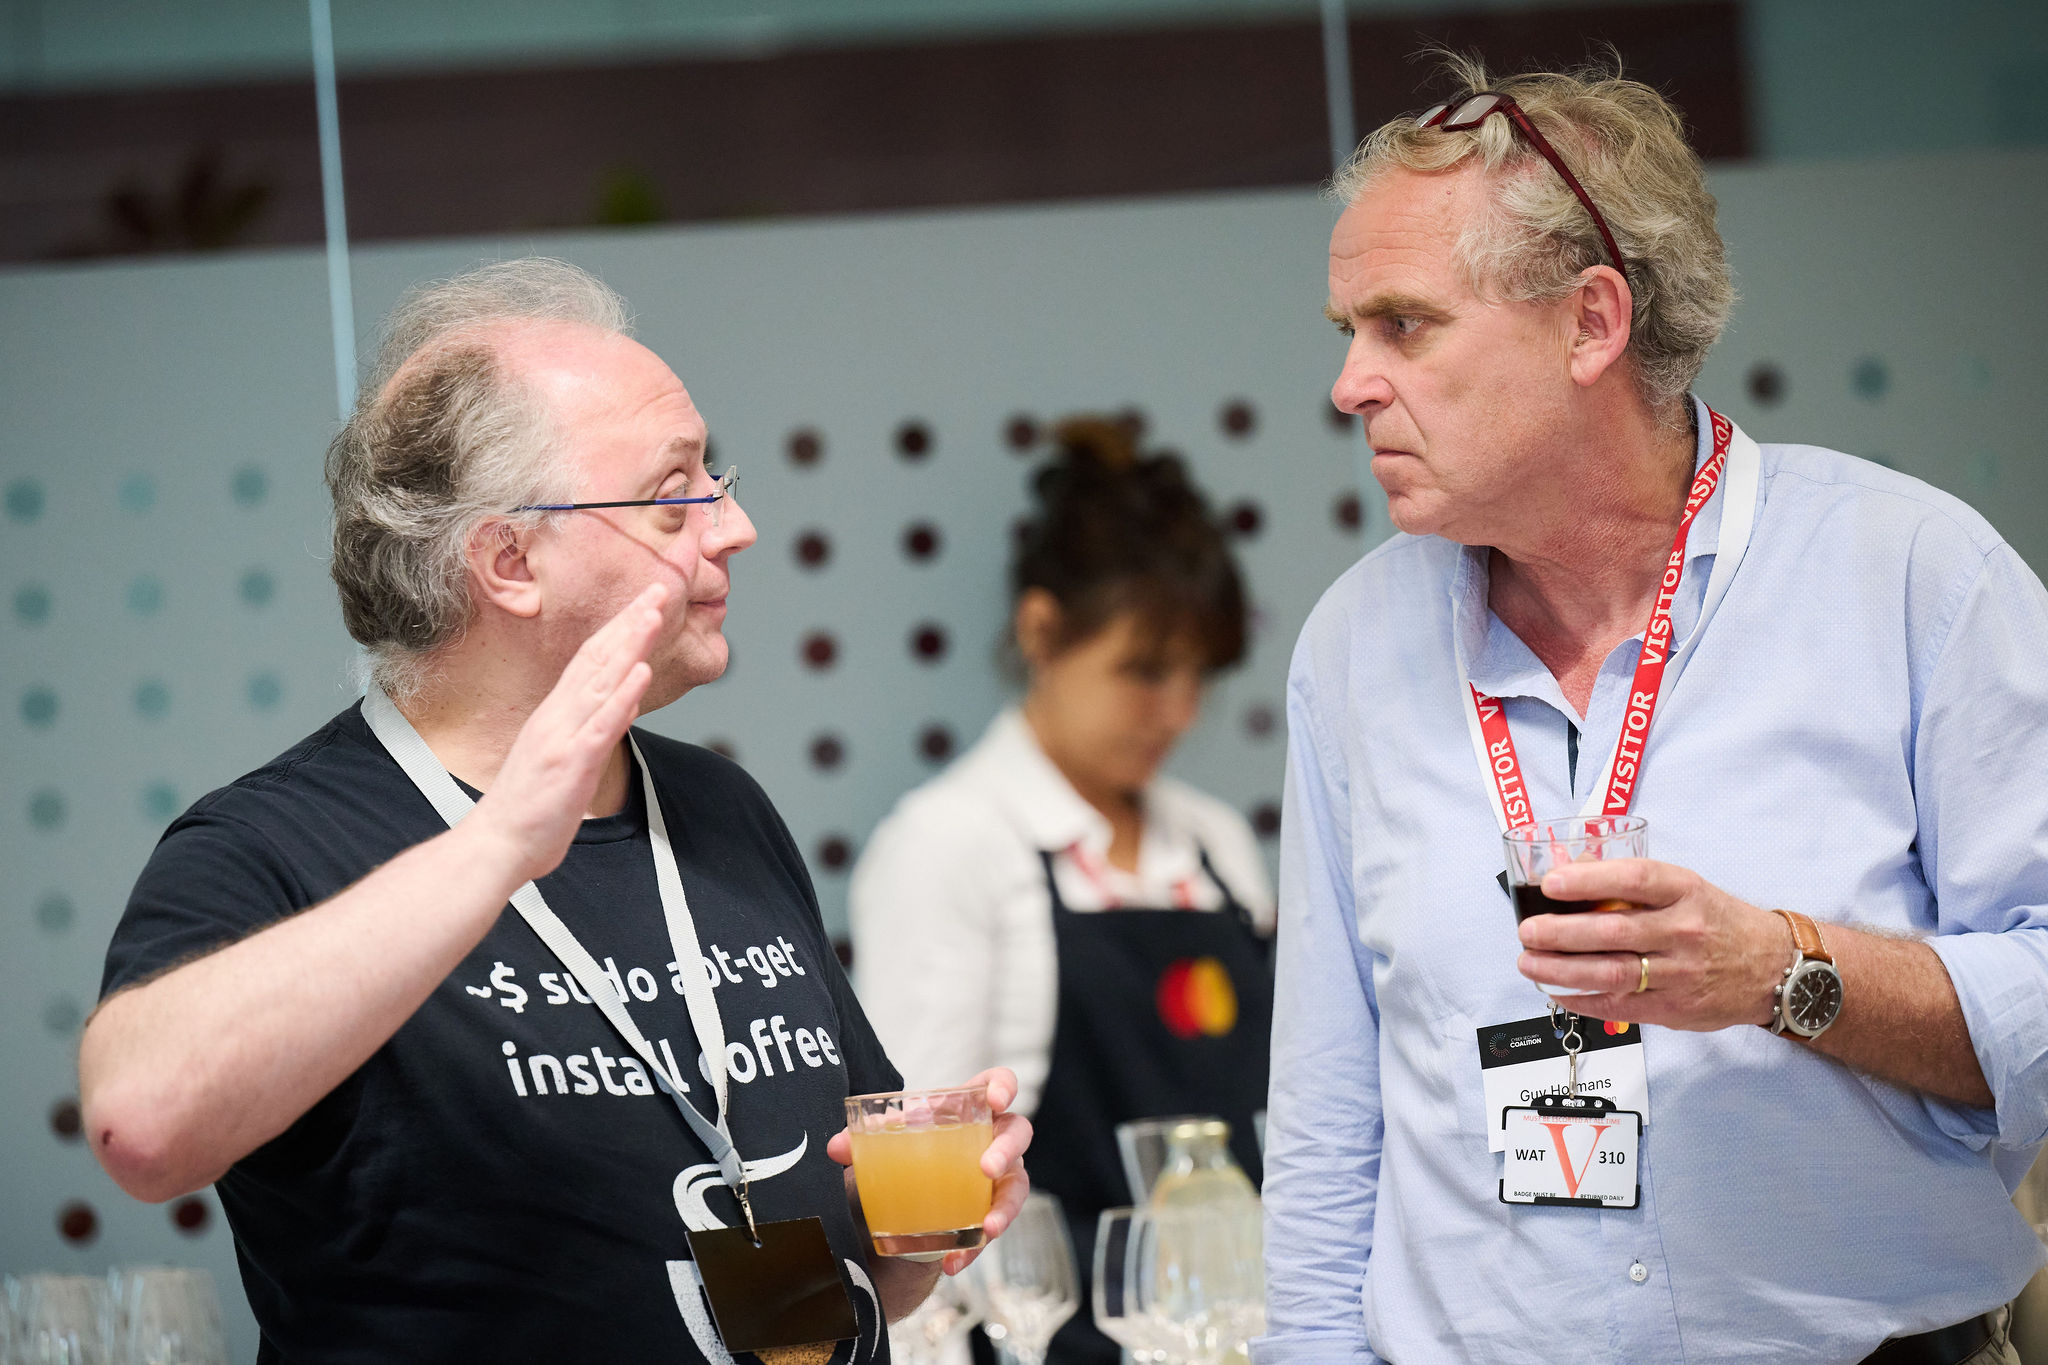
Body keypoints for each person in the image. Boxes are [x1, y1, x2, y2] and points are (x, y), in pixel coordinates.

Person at [79, 258, 1031, 1363]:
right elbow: (140, 1126)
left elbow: (850, 1280)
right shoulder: (274, 844)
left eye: (715, 480)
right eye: (674, 494)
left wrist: (919, 1227)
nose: (733, 527)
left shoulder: (717, 806)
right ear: (510, 561)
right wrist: (495, 847)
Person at [1259, 54, 2048, 1365]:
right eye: (1348, 331)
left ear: (1590, 324)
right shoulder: (1353, 646)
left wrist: (1781, 971)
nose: (1351, 384)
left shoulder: (1911, 577)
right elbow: (1328, 1115)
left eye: (1404, 326)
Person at [852, 418, 1274, 1365]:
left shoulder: (1216, 844)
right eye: (1144, 671)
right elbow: (914, 1205)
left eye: (1199, 675)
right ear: (1041, 629)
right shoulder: (952, 844)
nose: (1179, 711)